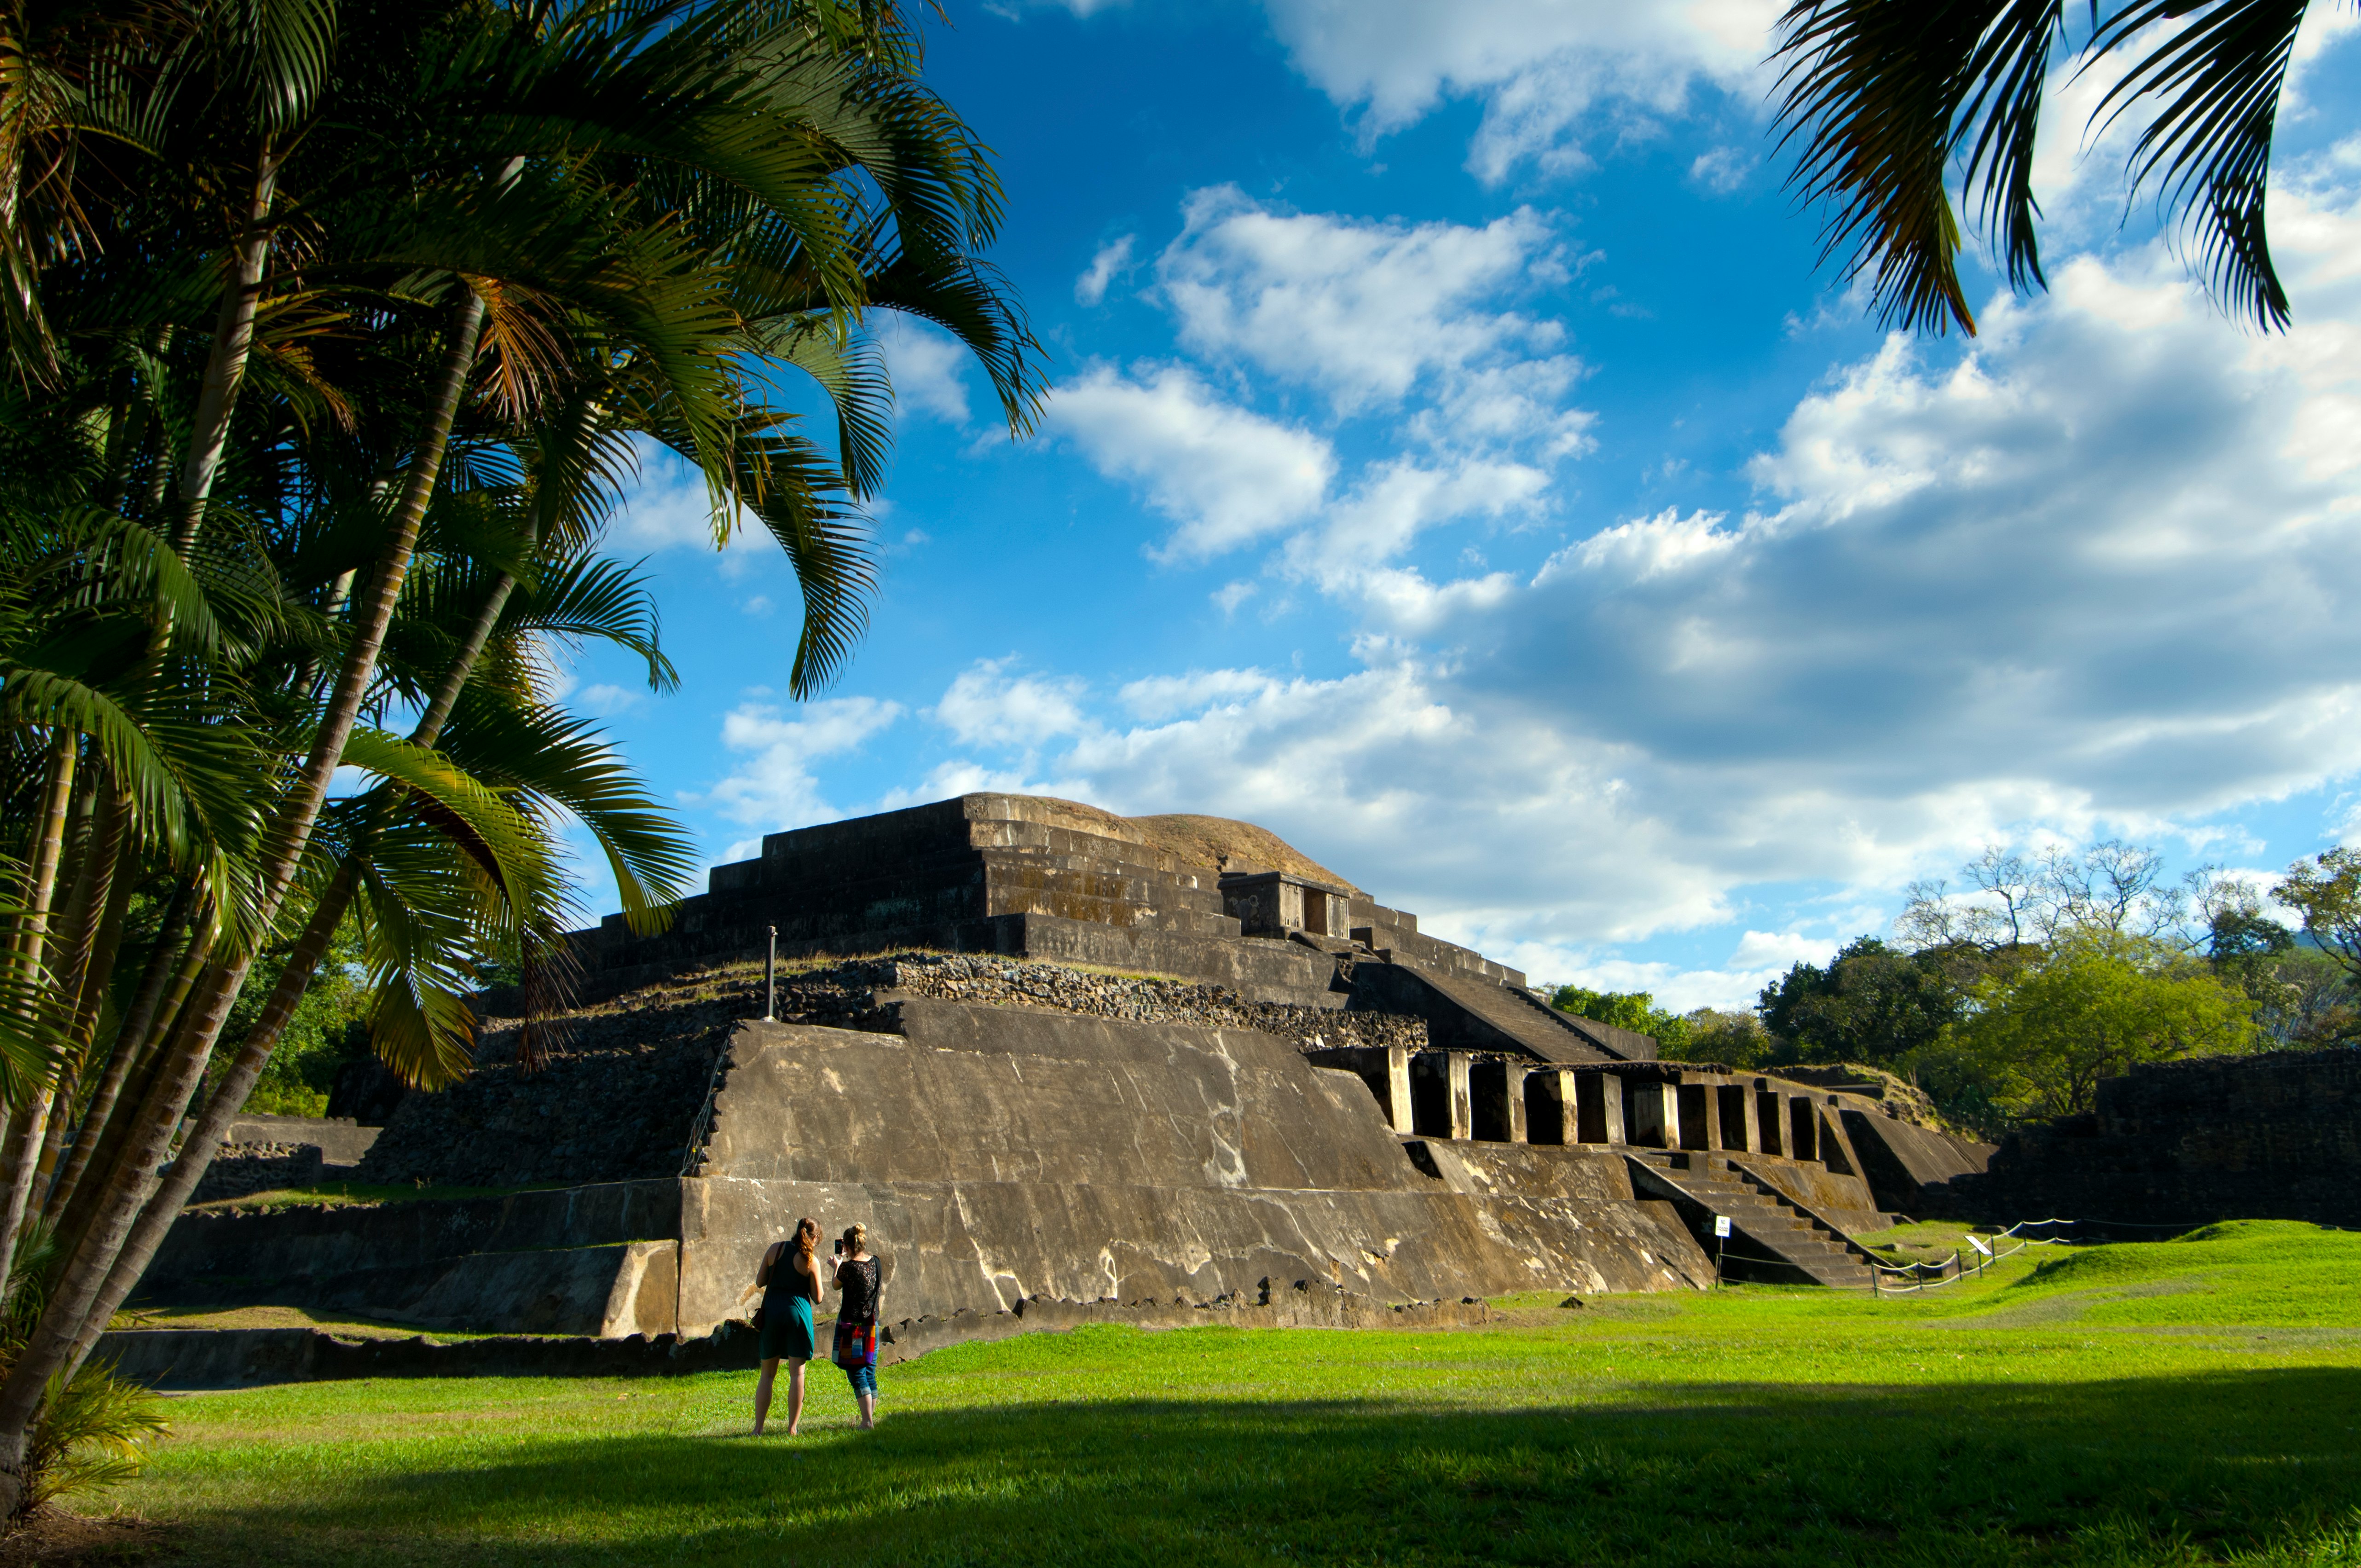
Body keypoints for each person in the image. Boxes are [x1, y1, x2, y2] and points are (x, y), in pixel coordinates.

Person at [749, 1216, 822, 1435]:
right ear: (816, 1238)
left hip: (772, 1312)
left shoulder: (776, 1249)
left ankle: (758, 1428)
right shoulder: (811, 1261)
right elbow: (818, 1297)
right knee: (797, 1375)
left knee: (767, 1375)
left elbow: (760, 1281)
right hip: (798, 1314)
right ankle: (792, 1428)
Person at [831, 1223, 882, 1429]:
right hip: (873, 1324)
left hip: (853, 1327)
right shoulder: (876, 1262)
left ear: (848, 1247)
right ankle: (869, 1418)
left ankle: (867, 1422)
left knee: (856, 1371)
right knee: (869, 1371)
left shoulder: (849, 1268)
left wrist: (837, 1266)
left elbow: (836, 1285)